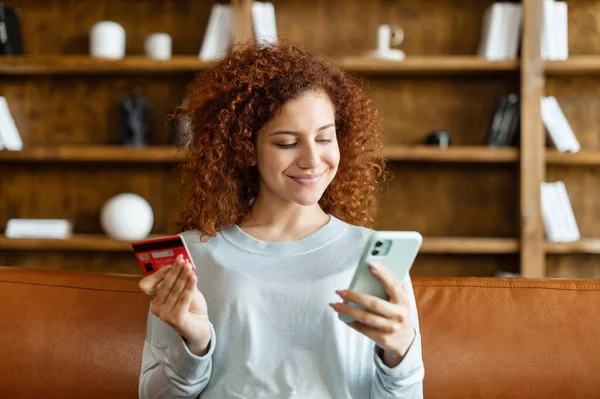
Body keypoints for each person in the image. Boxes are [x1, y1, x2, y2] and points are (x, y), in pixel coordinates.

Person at [138, 40, 424, 398]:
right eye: (287, 143)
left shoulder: (372, 256)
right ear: (245, 148)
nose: (312, 160)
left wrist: (398, 353)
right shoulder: (192, 255)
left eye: (324, 138)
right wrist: (195, 344)